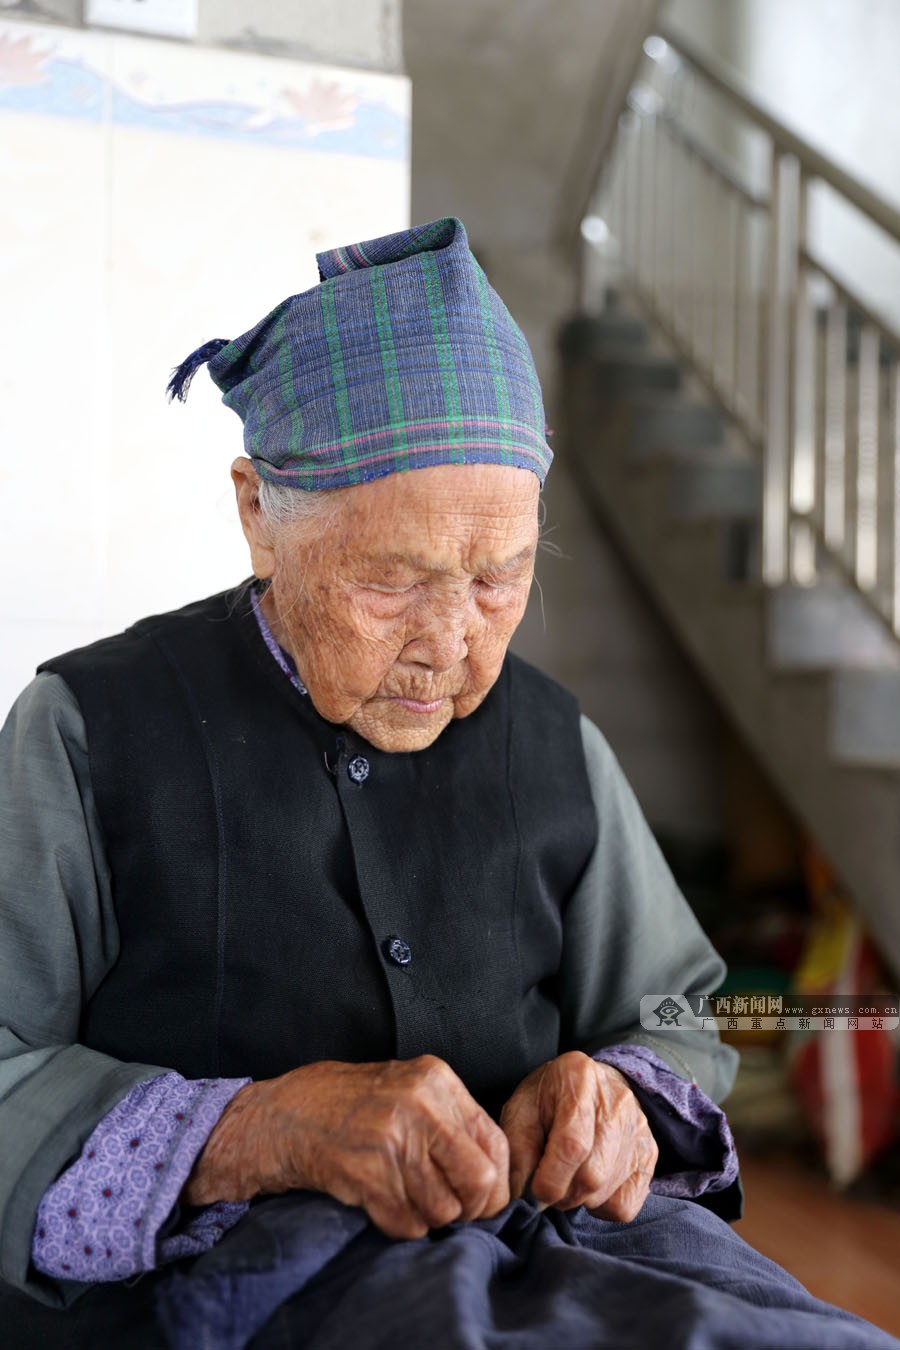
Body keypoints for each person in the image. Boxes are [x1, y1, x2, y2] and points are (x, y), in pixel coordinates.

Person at [0, 217, 895, 1349]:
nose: (452, 643)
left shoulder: (556, 738)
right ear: (258, 517)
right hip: (249, 1291)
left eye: (499, 576)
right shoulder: (88, 729)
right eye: (391, 584)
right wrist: (258, 1131)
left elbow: (677, 1014)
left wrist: (621, 1095)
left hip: (571, 1258)